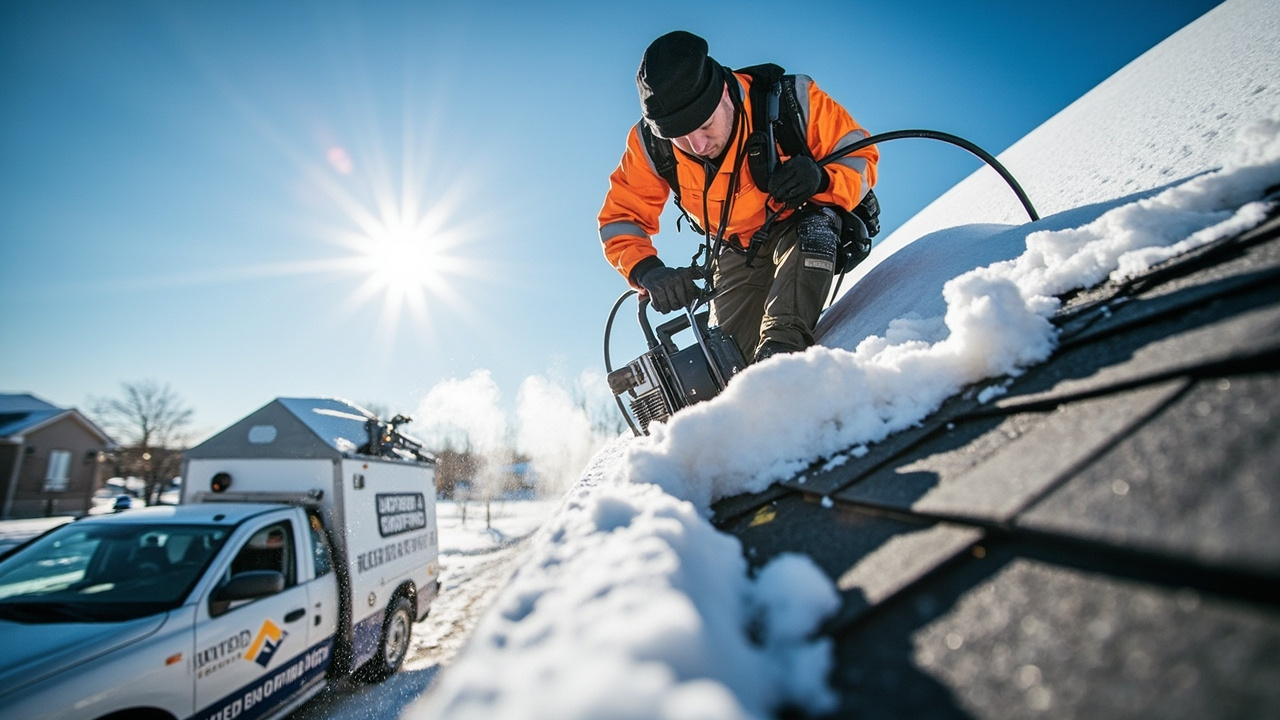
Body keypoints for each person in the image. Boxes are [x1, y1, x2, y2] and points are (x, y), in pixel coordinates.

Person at [599, 30, 879, 363]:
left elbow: (859, 157)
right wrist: (647, 270)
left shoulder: (790, 99)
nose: (698, 146)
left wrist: (821, 179)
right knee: (727, 361)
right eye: (681, 138)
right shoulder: (649, 146)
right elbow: (620, 219)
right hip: (734, 250)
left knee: (783, 326)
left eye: (705, 125)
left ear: (725, 94)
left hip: (803, 221)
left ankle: (780, 362)